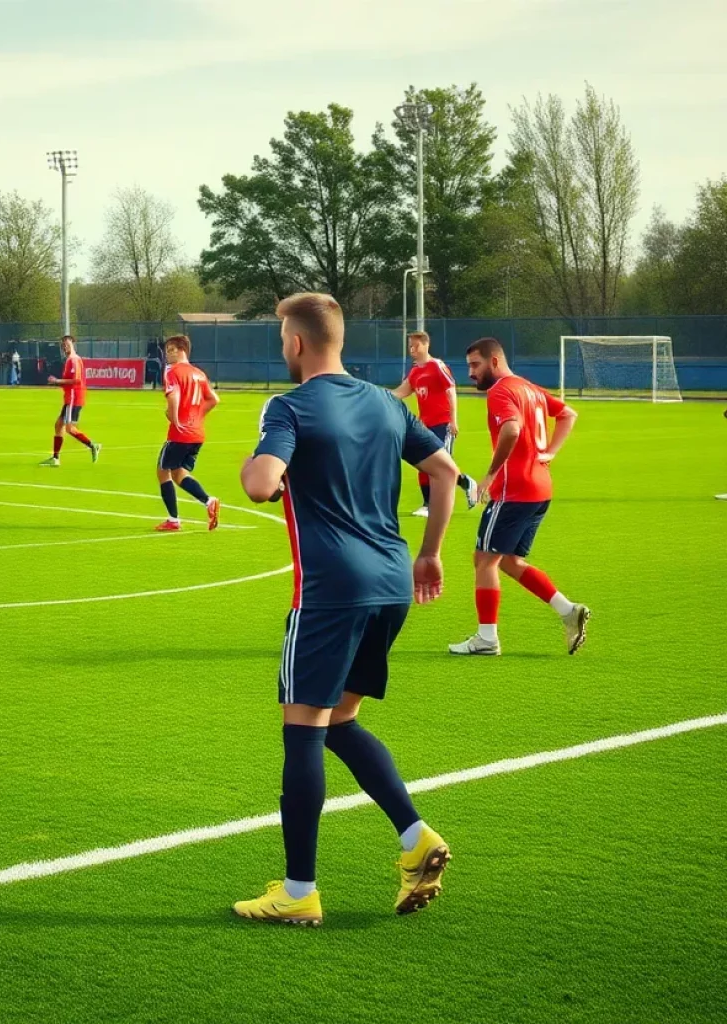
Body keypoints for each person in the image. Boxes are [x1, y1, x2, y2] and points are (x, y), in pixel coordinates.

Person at [233, 292, 460, 927]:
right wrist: (431, 554)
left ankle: (299, 891)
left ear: (298, 343)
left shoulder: (290, 406)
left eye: (283, 336)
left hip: (331, 590)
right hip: (391, 582)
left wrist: (257, 462)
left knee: (302, 730)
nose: (283, 347)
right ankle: (415, 839)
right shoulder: (388, 403)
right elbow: (446, 474)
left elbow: (259, 484)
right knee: (339, 724)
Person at [449, 337, 589, 657]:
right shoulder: (530, 387)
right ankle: (568, 611)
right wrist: (549, 452)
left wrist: (490, 474)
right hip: (540, 488)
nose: (470, 372)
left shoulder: (501, 391)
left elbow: (511, 429)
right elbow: (568, 413)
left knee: (484, 559)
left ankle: (486, 639)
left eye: (475, 365)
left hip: (514, 491)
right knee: (509, 561)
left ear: (494, 362)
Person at [392, 331, 477, 515]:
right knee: (423, 463)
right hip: (424, 425)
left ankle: (457, 490)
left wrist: (453, 420)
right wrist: (381, 396)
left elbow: (451, 390)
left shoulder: (437, 366)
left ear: (426, 345)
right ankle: (428, 503)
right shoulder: (415, 371)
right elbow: (403, 391)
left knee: (441, 465)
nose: (412, 350)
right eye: (410, 346)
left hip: (442, 423)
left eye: (416, 346)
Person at [155, 335, 220, 532]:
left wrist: (174, 418)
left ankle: (174, 520)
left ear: (180, 350)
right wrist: (197, 416)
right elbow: (214, 399)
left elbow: (173, 397)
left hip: (180, 433)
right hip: (197, 433)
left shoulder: (173, 372)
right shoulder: (199, 374)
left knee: (162, 470)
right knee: (179, 472)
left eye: (170, 350)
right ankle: (209, 501)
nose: (167, 355)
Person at [40, 335, 101, 466]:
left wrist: (57, 381)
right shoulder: (69, 360)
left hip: (74, 397)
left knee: (69, 428)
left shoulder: (74, 360)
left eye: (67, 343)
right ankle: (55, 458)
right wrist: (56, 383)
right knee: (58, 425)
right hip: (69, 397)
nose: (64, 347)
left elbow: (76, 380)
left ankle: (92, 445)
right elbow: (68, 381)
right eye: (63, 345)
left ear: (72, 344)